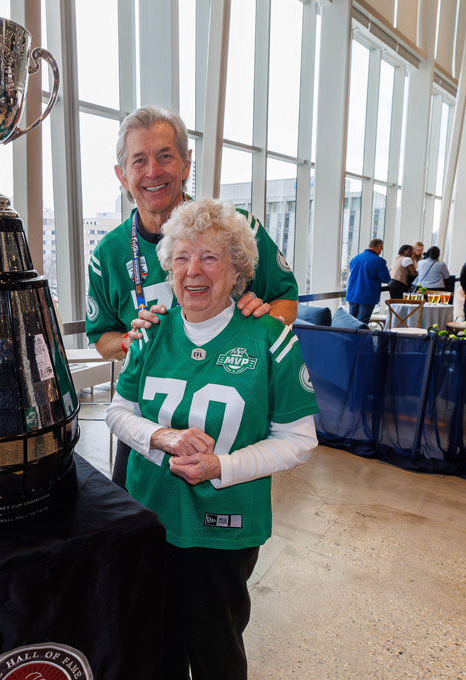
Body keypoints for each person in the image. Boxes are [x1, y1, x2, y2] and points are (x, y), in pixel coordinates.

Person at [106, 198, 318, 680]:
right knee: (154, 646)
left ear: (236, 268)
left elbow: (299, 439)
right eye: (181, 257)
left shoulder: (268, 336)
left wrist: (222, 466)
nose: (193, 270)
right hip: (150, 519)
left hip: (223, 528)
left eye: (209, 257)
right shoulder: (149, 331)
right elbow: (119, 412)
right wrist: (161, 436)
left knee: (216, 652)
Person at [86, 105, 299, 485]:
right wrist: (133, 342)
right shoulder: (108, 254)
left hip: (223, 425)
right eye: (139, 160)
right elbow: (101, 337)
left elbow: (285, 300)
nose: (153, 171)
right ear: (122, 176)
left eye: (165, 156)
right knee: (135, 528)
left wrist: (262, 322)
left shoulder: (239, 229)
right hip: (147, 422)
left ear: (186, 163)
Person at [345, 238, 390, 323]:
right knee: (362, 322)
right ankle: (359, 337)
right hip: (367, 295)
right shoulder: (379, 261)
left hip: (352, 294)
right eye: (381, 248)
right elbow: (385, 279)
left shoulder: (355, 258)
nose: (381, 250)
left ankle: (349, 336)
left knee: (351, 321)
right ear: (378, 246)